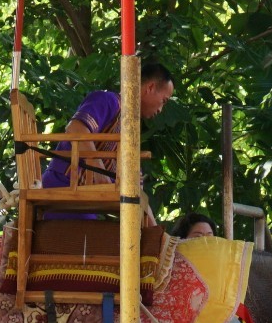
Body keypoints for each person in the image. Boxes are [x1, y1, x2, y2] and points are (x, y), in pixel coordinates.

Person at [42, 62, 174, 224]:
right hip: (64, 187)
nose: (161, 109)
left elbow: (136, 192)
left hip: (84, 201)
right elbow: (76, 128)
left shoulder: (128, 131)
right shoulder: (109, 100)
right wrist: (100, 172)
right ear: (150, 87)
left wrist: (158, 236)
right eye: (164, 101)